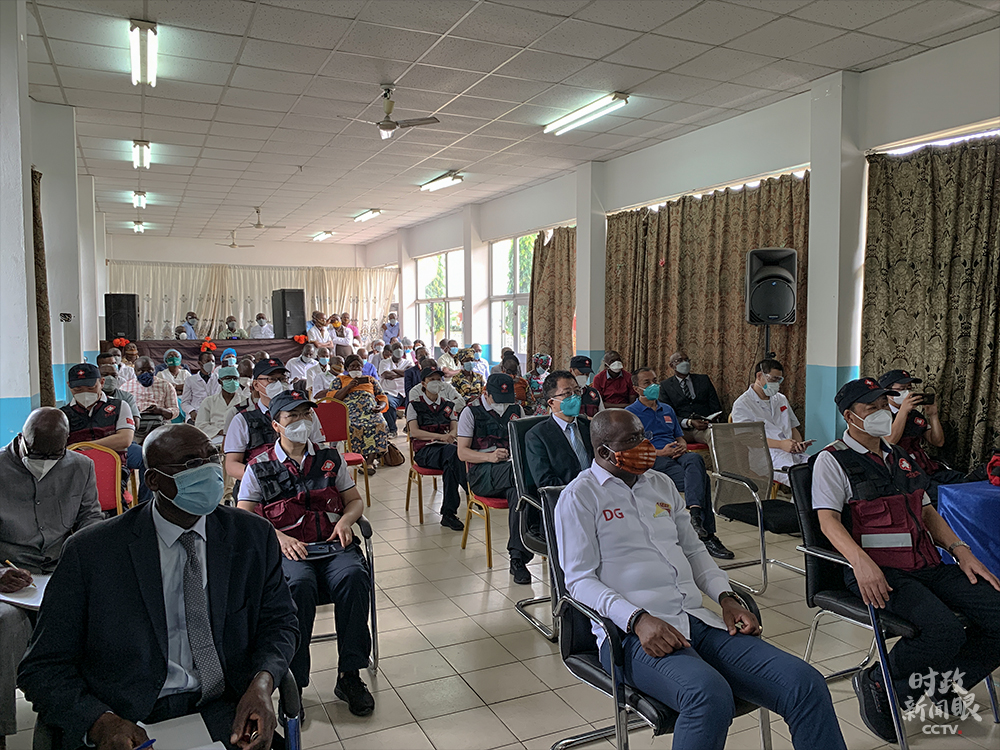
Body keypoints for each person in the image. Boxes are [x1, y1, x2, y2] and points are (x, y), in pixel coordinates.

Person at [556, 409, 847, 750]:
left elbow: (695, 552)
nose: (645, 445)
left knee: (804, 683)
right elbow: (579, 581)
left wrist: (726, 597)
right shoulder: (580, 496)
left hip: (697, 620)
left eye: (644, 435)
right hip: (631, 637)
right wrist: (637, 619)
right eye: (632, 440)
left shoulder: (660, 484)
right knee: (708, 696)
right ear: (604, 451)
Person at [17, 423, 299, 750]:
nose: (209, 470)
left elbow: (280, 623)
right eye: (192, 464)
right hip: (125, 718)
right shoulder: (92, 552)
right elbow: (43, 666)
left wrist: (262, 683)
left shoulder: (251, 536)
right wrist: (98, 721)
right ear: (154, 480)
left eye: (212, 458)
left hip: (224, 708)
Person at [811, 378, 1000, 743]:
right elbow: (828, 522)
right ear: (850, 416)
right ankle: (879, 683)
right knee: (943, 631)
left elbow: (927, 512)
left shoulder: (900, 456)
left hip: (926, 562)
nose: (882, 412)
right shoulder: (832, 460)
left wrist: (961, 551)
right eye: (872, 408)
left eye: (885, 405)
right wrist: (860, 563)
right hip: (879, 571)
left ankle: (945, 683)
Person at [236, 391, 375, 717]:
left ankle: (350, 675)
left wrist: (346, 520)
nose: (302, 422)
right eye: (292, 416)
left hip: (332, 545)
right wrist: (279, 538)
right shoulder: (259, 466)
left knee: (355, 577)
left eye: (306, 415)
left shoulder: (330, 458)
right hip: (290, 551)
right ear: (276, 425)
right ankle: (293, 684)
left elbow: (354, 500)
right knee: (298, 587)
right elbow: (244, 516)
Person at [1, 408, 101, 745]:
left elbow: (91, 520)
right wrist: (1, 573)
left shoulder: (81, 466)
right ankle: (1, 727)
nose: (44, 463)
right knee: (6, 622)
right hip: (9, 577)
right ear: (21, 439)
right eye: (36, 454)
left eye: (53, 455)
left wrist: (80, 565)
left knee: (98, 614)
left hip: (61, 569)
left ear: (66, 444)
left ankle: (76, 716)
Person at [626, 368, 733, 560]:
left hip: (677, 454)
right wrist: (660, 452)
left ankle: (695, 518)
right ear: (636, 389)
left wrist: (682, 446)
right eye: (647, 383)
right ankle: (706, 533)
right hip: (654, 459)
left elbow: (679, 436)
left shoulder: (667, 409)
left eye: (655, 381)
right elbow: (632, 449)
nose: (653, 386)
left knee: (695, 459)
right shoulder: (630, 414)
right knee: (702, 480)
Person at [457, 374, 534, 584]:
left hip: (511, 474)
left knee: (520, 494)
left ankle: (517, 559)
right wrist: (489, 457)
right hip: (482, 474)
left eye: (507, 399)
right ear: (486, 394)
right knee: (522, 478)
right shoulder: (471, 412)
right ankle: (537, 532)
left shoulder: (516, 410)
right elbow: (462, 453)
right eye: (499, 399)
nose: (503, 404)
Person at [224, 358, 324, 488]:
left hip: (303, 483)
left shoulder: (306, 413)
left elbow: (319, 449)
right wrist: (266, 478)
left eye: (282, 379)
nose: (279, 384)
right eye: (272, 379)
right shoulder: (242, 418)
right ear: (256, 385)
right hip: (261, 487)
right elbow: (231, 465)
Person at [879, 369, 967, 502]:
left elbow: (938, 441)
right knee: (949, 496)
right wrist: (903, 411)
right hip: (907, 474)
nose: (907, 393)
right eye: (902, 389)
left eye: (909, 388)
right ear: (888, 392)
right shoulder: (881, 416)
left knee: (967, 482)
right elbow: (890, 441)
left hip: (928, 467)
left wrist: (933, 415)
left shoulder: (915, 416)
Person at [61, 362, 136, 497]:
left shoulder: (119, 406)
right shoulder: (63, 414)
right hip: (74, 470)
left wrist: (84, 447)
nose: (84, 393)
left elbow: (125, 439)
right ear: (69, 386)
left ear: (101, 382)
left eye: (90, 388)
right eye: (78, 389)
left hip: (113, 468)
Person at [407, 366, 467, 531]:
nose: (435, 382)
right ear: (423, 383)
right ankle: (471, 488)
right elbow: (414, 432)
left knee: (451, 464)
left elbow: (454, 428)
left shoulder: (448, 405)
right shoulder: (415, 405)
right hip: (425, 451)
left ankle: (448, 514)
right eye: (431, 379)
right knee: (454, 454)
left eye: (438, 379)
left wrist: (451, 435)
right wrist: (440, 437)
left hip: (446, 451)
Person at [731, 359, 809, 485]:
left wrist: (798, 444)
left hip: (791, 452)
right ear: (759, 376)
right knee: (800, 479)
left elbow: (793, 427)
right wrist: (780, 444)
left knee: (819, 469)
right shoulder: (743, 404)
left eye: (779, 380)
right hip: (766, 457)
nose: (776, 384)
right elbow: (746, 438)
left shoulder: (781, 399)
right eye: (773, 379)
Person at [525, 371, 594, 490]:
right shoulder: (537, 436)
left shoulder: (589, 426)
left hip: (599, 491)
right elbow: (546, 482)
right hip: (567, 495)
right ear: (551, 402)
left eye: (577, 391)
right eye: (567, 393)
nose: (575, 397)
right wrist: (581, 492)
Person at [331, 354, 389, 475]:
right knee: (353, 426)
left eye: (358, 366)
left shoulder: (370, 380)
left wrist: (380, 407)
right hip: (351, 411)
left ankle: (369, 462)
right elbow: (334, 399)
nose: (356, 369)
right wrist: (349, 386)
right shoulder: (339, 380)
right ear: (347, 368)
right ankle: (358, 458)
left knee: (380, 424)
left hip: (370, 410)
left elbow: (382, 397)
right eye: (352, 366)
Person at [659, 351, 724, 444]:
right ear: (671, 365)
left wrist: (713, 419)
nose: (685, 363)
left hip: (703, 428)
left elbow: (715, 406)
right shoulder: (665, 386)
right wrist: (689, 422)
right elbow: (667, 414)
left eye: (687, 360)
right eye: (680, 360)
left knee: (716, 437)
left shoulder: (703, 380)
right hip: (680, 430)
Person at [195, 366, 248, 445]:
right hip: (213, 439)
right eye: (228, 378)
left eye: (235, 378)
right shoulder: (209, 401)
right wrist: (219, 431)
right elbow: (200, 425)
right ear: (220, 381)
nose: (232, 381)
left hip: (238, 439)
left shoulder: (245, 401)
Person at [122, 356, 181, 424]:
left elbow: (175, 410)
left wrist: (161, 411)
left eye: (150, 370)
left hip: (159, 423)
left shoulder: (166, 385)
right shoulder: (125, 387)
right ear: (135, 371)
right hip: (133, 424)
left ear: (154, 370)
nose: (146, 373)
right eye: (141, 370)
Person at [377, 343, 411, 438]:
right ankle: (392, 430)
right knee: (388, 403)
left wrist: (394, 371)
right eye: (396, 348)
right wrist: (403, 373)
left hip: (405, 392)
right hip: (391, 392)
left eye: (400, 348)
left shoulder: (408, 362)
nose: (398, 350)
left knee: (414, 403)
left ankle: (409, 428)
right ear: (391, 351)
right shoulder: (384, 362)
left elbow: (409, 373)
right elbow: (386, 375)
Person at [181, 351, 220, 423]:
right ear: (200, 363)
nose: (211, 363)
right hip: (196, 414)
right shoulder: (190, 380)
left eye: (213, 361)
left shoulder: (219, 379)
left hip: (214, 414)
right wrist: (192, 411)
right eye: (207, 361)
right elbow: (185, 402)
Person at [96, 351, 138, 416]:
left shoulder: (126, 395)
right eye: (105, 375)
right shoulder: (93, 396)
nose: (110, 378)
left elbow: (134, 418)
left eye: (114, 363)